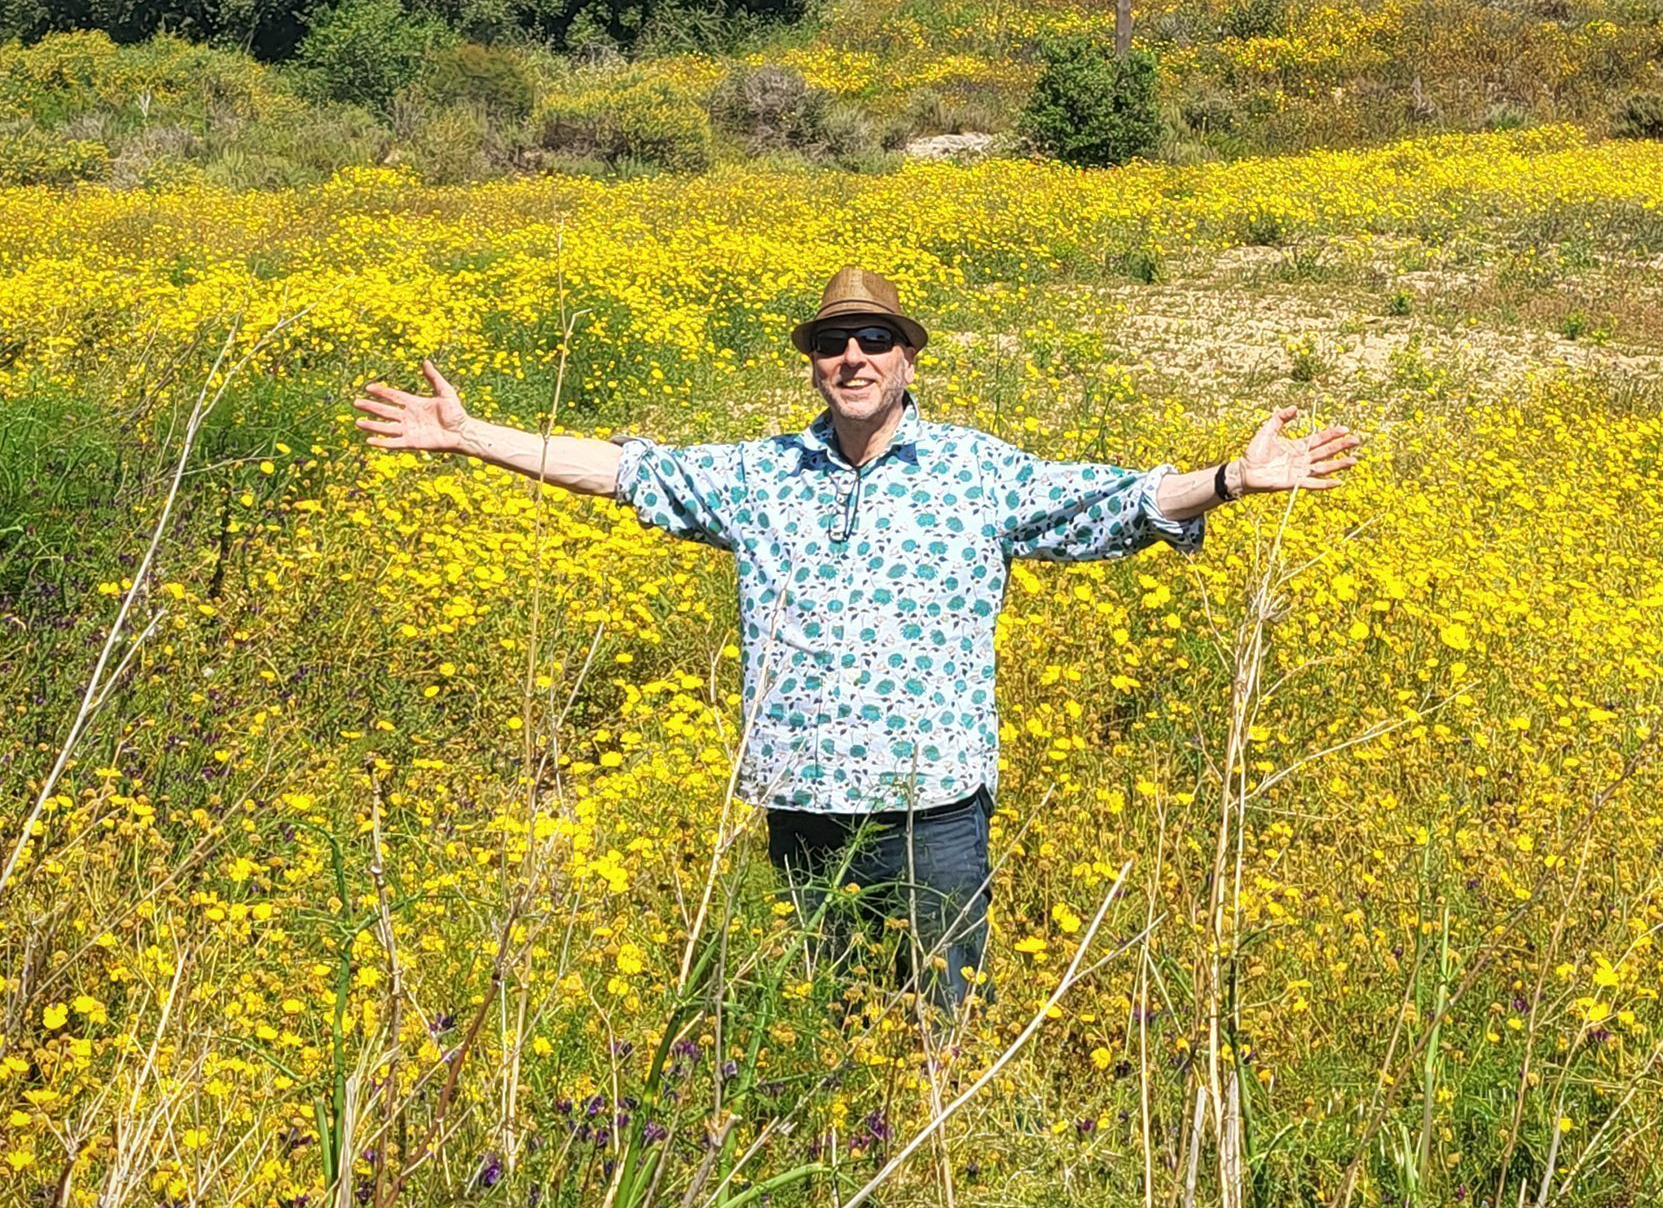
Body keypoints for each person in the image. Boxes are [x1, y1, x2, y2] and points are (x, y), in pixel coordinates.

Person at [353, 265, 1359, 1013]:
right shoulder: (761, 474)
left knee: (939, 1022)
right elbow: (625, 470)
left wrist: (1229, 478)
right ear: (811, 362)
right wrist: (470, 434)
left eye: (874, 338)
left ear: (908, 357)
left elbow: (1116, 501)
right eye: (834, 341)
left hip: (930, 812)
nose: (853, 356)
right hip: (802, 807)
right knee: (830, 1025)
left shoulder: (976, 472)